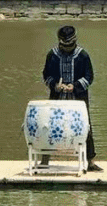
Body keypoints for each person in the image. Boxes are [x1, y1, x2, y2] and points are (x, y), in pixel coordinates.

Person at [42, 24, 99, 170]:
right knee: (50, 126)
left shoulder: (82, 55)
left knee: (85, 127)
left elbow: (89, 77)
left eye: (70, 46)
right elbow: (46, 75)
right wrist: (55, 85)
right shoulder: (52, 55)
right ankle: (45, 159)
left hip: (78, 98)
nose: (68, 49)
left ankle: (90, 161)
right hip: (57, 97)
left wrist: (74, 86)